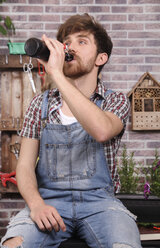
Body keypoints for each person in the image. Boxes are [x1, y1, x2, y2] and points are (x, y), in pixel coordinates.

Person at [1, 13, 142, 248]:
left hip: (101, 204)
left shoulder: (114, 101)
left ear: (101, 58)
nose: (70, 47)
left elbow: (102, 130)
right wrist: (36, 205)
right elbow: (24, 166)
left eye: (82, 41)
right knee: (14, 244)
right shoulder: (40, 104)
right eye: (67, 42)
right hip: (49, 202)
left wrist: (56, 73)